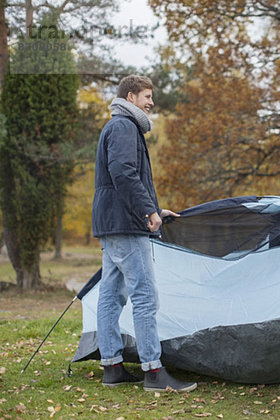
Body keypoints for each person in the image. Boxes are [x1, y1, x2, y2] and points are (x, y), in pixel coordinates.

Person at [92, 75, 197, 392]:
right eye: (147, 96)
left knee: (110, 297)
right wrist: (147, 212)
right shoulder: (124, 127)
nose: (151, 102)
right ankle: (153, 371)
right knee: (145, 297)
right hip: (125, 224)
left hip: (113, 223)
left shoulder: (118, 127)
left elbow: (124, 177)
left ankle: (112, 366)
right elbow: (123, 173)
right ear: (131, 96)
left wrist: (156, 208)